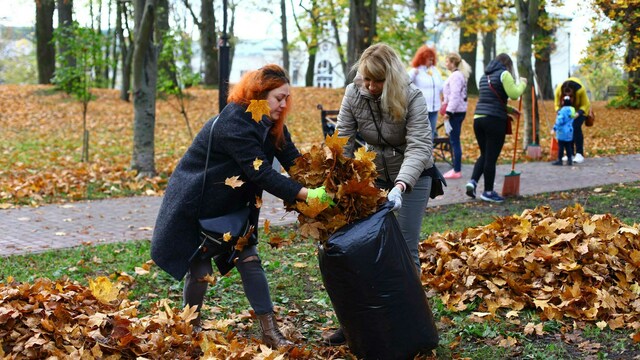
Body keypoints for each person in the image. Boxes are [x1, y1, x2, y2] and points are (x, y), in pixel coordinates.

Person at [150, 64, 331, 349]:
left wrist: (325, 182)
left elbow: (293, 161)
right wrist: (306, 194)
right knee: (199, 272)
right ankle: (190, 327)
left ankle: (270, 332)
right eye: (278, 98)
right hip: (197, 204)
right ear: (258, 95)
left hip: (231, 206)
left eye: (286, 98)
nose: (284, 104)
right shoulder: (234, 122)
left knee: (249, 260)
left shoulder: (271, 124)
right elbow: (260, 172)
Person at [325, 43, 434, 345]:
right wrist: (332, 180)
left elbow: (420, 146)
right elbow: (344, 140)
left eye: (377, 81)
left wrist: (401, 185)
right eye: (366, 79)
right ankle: (356, 322)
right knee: (359, 248)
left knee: (405, 248)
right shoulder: (354, 92)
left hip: (413, 176)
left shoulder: (411, 96)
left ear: (391, 79)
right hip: (373, 173)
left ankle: (409, 322)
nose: (370, 87)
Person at [465, 53, 527, 203]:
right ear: (507, 64)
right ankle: (488, 192)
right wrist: (523, 83)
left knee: (485, 153)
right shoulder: (504, 74)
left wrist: (511, 111)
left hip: (478, 119)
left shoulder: (484, 77)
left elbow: (491, 100)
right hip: (494, 121)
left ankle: (472, 182)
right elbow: (514, 94)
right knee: (491, 157)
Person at [440, 52, 472, 179]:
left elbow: (455, 96)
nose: (446, 63)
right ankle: (456, 168)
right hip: (457, 112)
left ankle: (457, 170)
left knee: (454, 141)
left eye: (447, 61)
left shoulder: (456, 76)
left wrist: (448, 112)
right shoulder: (457, 75)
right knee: (454, 140)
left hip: (455, 113)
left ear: (453, 62)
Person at [409, 45, 444, 140]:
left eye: (432, 60)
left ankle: (429, 153)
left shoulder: (435, 71)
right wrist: (412, 74)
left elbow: (441, 86)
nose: (431, 62)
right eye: (429, 59)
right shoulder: (416, 70)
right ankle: (420, 152)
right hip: (421, 108)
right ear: (422, 59)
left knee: (431, 131)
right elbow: (405, 83)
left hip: (434, 108)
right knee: (421, 133)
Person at [554, 77, 591, 163]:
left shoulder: (580, 91)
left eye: (570, 96)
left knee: (575, 126)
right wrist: (560, 113)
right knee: (567, 129)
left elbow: (585, 105)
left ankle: (579, 153)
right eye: (565, 95)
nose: (568, 98)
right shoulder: (558, 90)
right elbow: (556, 104)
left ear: (574, 93)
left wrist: (578, 114)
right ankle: (570, 153)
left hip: (580, 110)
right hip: (566, 111)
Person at [551, 95, 576, 165]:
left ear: (563, 102)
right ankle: (570, 159)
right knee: (568, 146)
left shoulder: (562, 111)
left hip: (562, 131)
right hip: (570, 131)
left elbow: (560, 121)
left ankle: (560, 160)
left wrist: (554, 128)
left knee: (561, 146)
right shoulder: (572, 110)